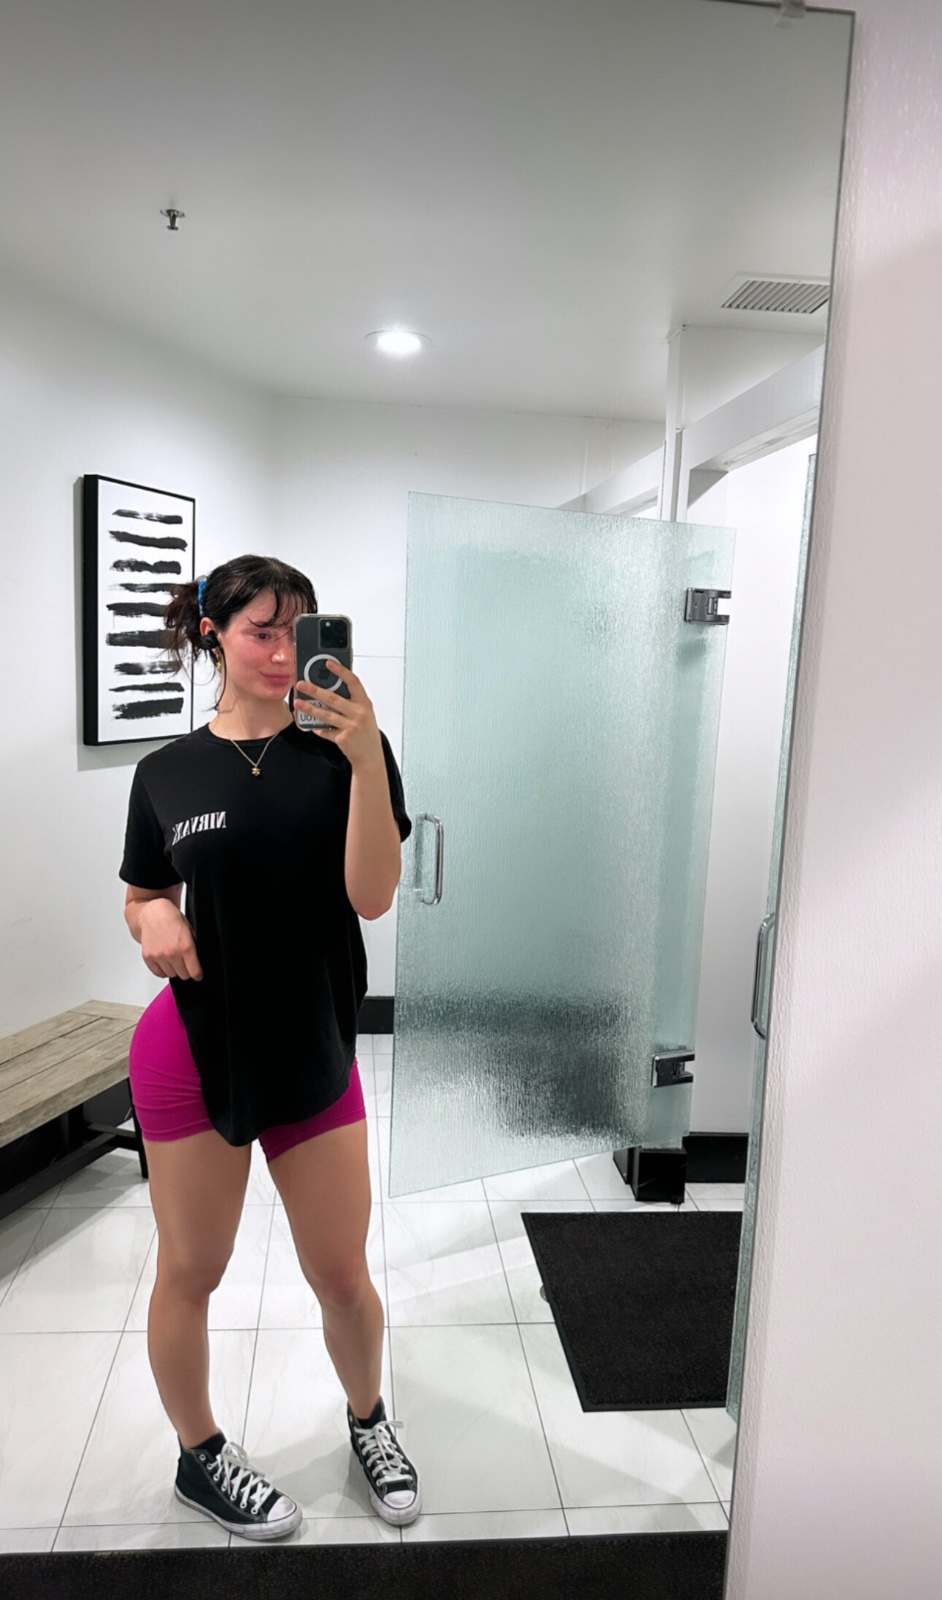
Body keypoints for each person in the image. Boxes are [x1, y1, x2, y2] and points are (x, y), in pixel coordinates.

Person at [119, 553, 420, 1540]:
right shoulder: (165, 772)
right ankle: (200, 1455)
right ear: (213, 634)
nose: (285, 651)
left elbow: (371, 896)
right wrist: (152, 916)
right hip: (191, 1044)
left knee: (341, 1273)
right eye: (262, 631)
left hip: (312, 1041)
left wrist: (366, 756)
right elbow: (143, 891)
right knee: (190, 1269)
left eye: (301, 629)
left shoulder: (345, 750)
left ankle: (369, 1421)